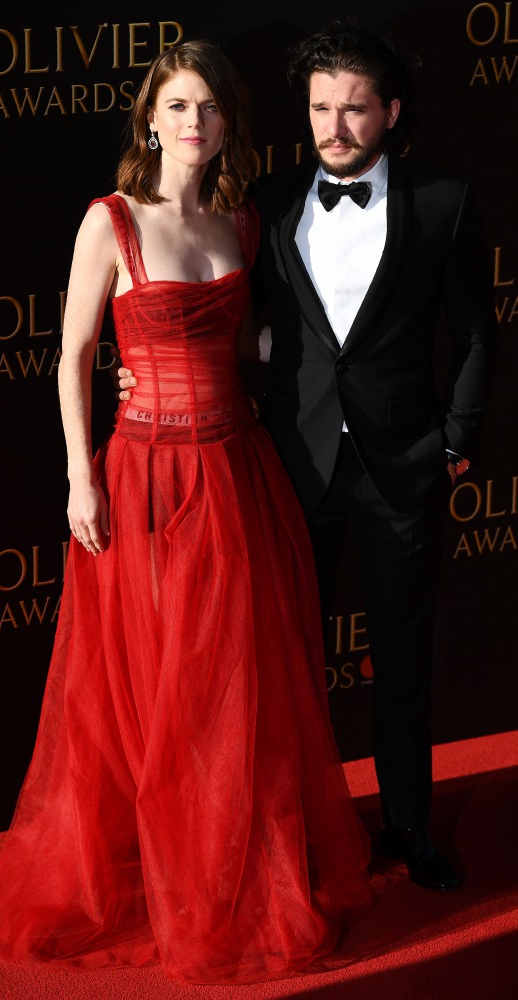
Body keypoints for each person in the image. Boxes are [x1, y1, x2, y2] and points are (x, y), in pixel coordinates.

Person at [0, 40, 372, 985]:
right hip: (144, 479)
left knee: (233, 688)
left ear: (229, 124)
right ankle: (168, 872)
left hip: (234, 472)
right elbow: (73, 357)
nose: (196, 121)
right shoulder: (109, 221)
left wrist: (299, 339)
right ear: (151, 118)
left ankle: (230, 871)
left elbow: (248, 340)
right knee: (157, 689)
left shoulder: (242, 220)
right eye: (180, 105)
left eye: (211, 107)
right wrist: (81, 478)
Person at [116, 22, 496, 894]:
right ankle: (297, 833)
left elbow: (477, 332)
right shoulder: (270, 202)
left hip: (404, 463)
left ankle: (409, 826)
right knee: (283, 667)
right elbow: (223, 321)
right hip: (291, 465)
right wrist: (140, 371)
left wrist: (458, 440)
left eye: (354, 109)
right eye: (322, 108)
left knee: (403, 660)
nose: (335, 126)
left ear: (390, 112)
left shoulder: (445, 201)